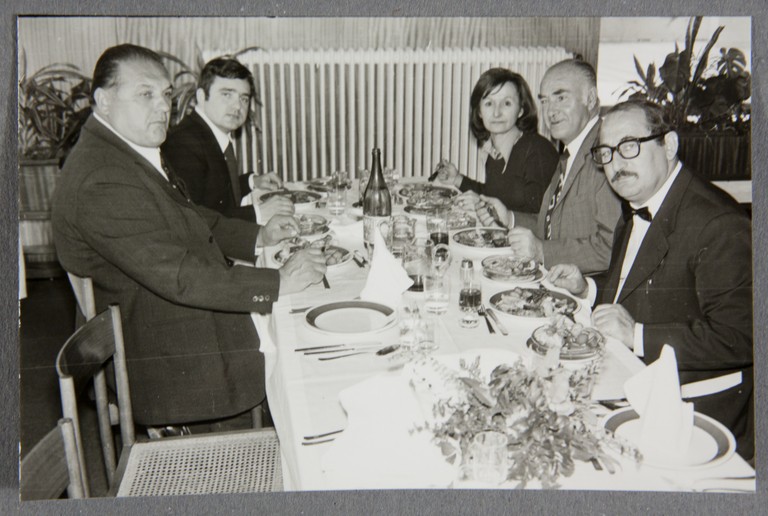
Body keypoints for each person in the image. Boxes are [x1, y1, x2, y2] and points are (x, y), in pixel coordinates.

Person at [52, 44, 327, 430]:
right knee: (312, 364)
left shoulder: (125, 152)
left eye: (165, 94)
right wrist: (277, 282)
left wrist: (259, 235)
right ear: (104, 100)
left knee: (309, 333)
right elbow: (179, 275)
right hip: (174, 364)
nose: (163, 107)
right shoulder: (102, 179)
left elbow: (191, 219)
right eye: (145, 94)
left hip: (173, 322)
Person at [548, 100, 753, 459]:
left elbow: (740, 337)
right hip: (633, 374)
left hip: (687, 406)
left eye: (630, 146)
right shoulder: (640, 203)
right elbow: (634, 294)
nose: (616, 164)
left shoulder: (719, 224)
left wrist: (637, 334)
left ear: (669, 145)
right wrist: (587, 288)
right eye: (607, 153)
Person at [476, 59, 621, 274]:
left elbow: (613, 248)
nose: (550, 111)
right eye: (545, 101)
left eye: (561, 98)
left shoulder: (605, 153)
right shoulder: (570, 153)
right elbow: (552, 227)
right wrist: (510, 218)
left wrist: (543, 251)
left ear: (590, 99)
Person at [162, 57, 293, 222]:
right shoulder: (184, 143)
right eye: (227, 95)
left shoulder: (207, 132)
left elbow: (212, 192)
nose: (237, 106)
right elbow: (195, 219)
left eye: (243, 98)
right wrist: (258, 213)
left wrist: (251, 182)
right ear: (202, 96)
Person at [433, 68, 558, 214]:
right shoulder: (494, 150)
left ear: (521, 110)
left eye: (507, 103)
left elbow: (540, 217)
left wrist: (484, 207)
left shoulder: (538, 151)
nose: (497, 112)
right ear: (479, 111)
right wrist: (457, 179)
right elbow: (494, 194)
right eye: (489, 104)